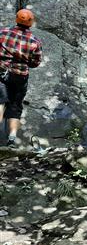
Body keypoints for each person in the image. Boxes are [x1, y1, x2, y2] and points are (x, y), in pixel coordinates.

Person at [0, 9, 42, 146]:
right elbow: (35, 62)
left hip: (1, 71)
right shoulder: (34, 40)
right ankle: (11, 138)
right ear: (31, 23)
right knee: (15, 106)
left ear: (16, 19)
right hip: (20, 76)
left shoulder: (3, 33)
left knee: (0, 102)